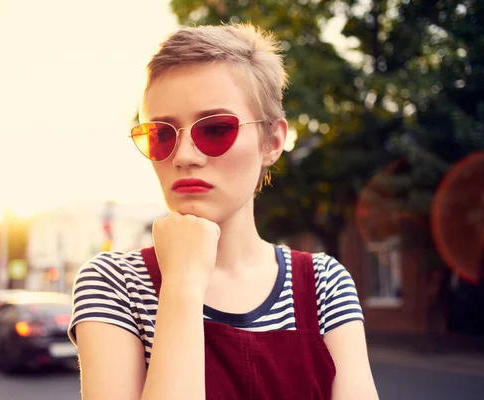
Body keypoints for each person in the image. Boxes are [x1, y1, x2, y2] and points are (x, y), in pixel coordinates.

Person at [69, 23, 380, 400]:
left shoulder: (324, 285)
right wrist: (183, 282)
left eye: (215, 129)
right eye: (162, 133)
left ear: (273, 141)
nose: (183, 156)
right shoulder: (114, 283)